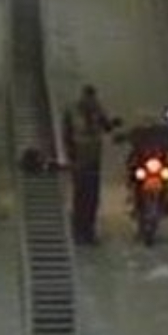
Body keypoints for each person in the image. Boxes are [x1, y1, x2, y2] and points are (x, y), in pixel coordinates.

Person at [62, 84, 112, 244]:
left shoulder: (98, 111)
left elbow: (107, 127)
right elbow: (67, 134)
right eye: (88, 97)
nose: (90, 100)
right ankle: (78, 230)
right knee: (81, 195)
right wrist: (70, 155)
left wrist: (111, 123)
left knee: (92, 196)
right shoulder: (72, 112)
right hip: (79, 157)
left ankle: (89, 230)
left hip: (94, 158)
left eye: (92, 98)